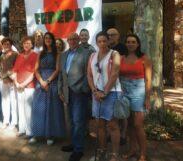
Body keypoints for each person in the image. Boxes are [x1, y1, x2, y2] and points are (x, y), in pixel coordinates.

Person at [87, 31, 122, 161]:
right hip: (97, 94)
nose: (102, 43)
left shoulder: (114, 54)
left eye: (104, 41)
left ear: (108, 41)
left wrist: (104, 92)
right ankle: (102, 151)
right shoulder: (92, 56)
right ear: (96, 42)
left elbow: (114, 74)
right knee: (100, 125)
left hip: (112, 93)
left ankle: (114, 154)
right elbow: (89, 75)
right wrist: (95, 91)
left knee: (112, 125)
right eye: (99, 41)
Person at [58, 33, 90, 161]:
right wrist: (60, 90)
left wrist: (84, 88)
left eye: (74, 39)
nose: (72, 41)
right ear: (67, 41)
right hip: (66, 92)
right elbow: (61, 74)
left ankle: (79, 149)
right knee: (70, 120)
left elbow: (89, 73)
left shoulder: (86, 53)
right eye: (70, 39)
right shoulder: (64, 54)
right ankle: (73, 143)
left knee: (78, 121)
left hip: (79, 93)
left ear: (78, 40)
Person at [120, 34, 152, 161]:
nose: (130, 44)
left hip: (138, 91)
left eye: (133, 42)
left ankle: (143, 153)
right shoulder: (122, 57)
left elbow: (148, 79)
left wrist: (147, 98)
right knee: (129, 125)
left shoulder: (145, 58)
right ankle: (132, 149)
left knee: (138, 124)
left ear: (138, 44)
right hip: (124, 91)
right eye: (128, 42)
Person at [31, 32, 65, 145]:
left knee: (52, 109)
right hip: (40, 82)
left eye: (50, 38)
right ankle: (36, 134)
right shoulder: (40, 53)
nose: (47, 40)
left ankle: (51, 135)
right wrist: (41, 81)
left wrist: (48, 81)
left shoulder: (57, 54)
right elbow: (36, 70)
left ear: (52, 40)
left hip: (52, 82)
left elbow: (57, 69)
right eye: (46, 38)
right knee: (38, 108)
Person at [11, 36, 38, 137]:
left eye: (28, 43)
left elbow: (34, 73)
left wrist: (23, 84)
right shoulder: (20, 55)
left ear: (32, 45)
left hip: (30, 86)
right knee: (20, 108)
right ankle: (22, 129)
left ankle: (30, 131)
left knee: (29, 109)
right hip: (18, 86)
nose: (26, 45)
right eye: (25, 43)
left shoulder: (35, 55)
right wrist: (16, 83)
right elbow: (15, 71)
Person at [107, 27, 127, 145]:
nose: (110, 37)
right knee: (110, 111)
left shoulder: (122, 48)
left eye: (112, 35)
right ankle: (111, 134)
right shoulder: (106, 48)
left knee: (121, 110)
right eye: (108, 35)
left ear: (118, 36)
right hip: (108, 83)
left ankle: (123, 135)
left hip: (121, 82)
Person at [0, 37, 19, 129]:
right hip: (4, 81)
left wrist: (10, 76)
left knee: (13, 101)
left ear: (11, 45)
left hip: (12, 81)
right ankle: (6, 120)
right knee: (5, 101)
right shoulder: (2, 56)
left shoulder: (15, 54)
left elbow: (17, 67)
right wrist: (3, 77)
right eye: (4, 44)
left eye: (8, 44)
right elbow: (1, 68)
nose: (6, 45)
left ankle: (14, 121)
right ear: (2, 45)